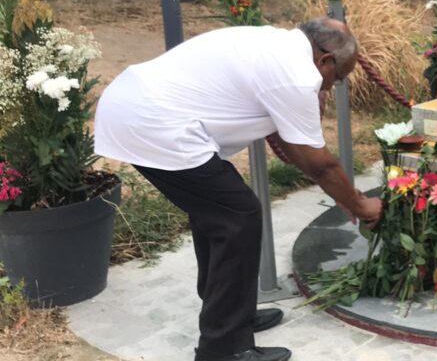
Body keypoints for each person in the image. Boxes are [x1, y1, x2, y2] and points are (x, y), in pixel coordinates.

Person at [94, 18, 382, 361]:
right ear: (326, 61)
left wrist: (343, 196)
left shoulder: (279, 46)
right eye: (339, 78)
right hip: (152, 122)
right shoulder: (297, 73)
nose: (333, 87)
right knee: (238, 216)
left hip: (138, 106)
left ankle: (230, 313)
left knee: (218, 212)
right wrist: (361, 205)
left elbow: (299, 150)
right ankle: (224, 348)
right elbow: (319, 164)